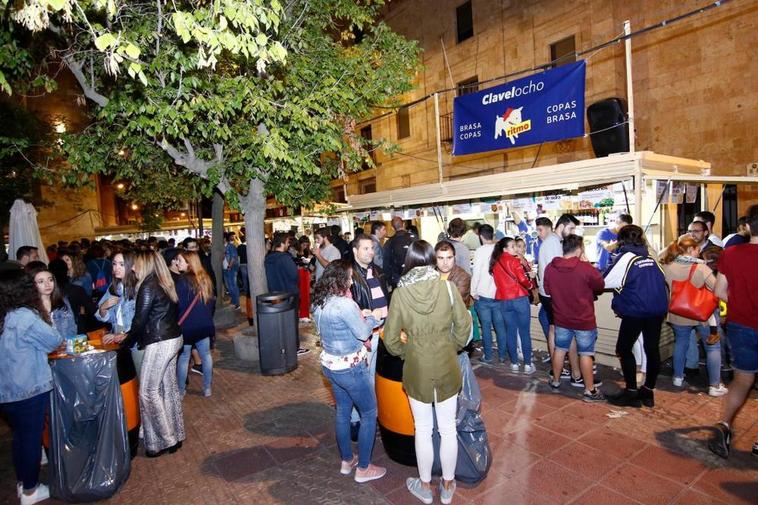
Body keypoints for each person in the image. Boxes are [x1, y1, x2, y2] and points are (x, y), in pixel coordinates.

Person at [383, 241, 471, 505]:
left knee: (422, 429)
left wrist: (407, 353)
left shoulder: (400, 294)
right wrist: (450, 347)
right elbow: (464, 329)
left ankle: (423, 486)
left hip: (417, 369)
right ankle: (446, 485)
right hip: (446, 366)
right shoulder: (448, 288)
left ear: (408, 262)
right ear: (433, 260)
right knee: (447, 429)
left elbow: (390, 340)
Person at [312, 261, 386, 483]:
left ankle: (347, 460)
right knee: (369, 413)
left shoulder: (319, 303)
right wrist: (373, 316)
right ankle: (363, 468)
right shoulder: (345, 304)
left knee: (343, 412)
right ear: (340, 279)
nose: (352, 281)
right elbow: (364, 333)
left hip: (331, 366)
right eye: (350, 277)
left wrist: (359, 314)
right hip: (352, 368)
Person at [111, 251, 185, 457]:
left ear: (145, 264)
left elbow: (139, 320)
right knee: (167, 389)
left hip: (160, 341)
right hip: (173, 339)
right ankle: (175, 435)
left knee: (148, 392)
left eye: (136, 264)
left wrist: (125, 340)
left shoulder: (148, 285)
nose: (132, 268)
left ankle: (168, 439)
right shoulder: (163, 281)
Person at [0, 269, 63, 505]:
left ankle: (22, 483)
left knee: (20, 437)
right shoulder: (24, 316)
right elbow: (54, 340)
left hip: (6, 389)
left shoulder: (4, 315)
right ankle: (30, 490)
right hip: (28, 387)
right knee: (30, 440)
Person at [709, 207, 758, 458]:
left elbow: (719, 291)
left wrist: (737, 302)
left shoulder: (731, 254)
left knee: (742, 379)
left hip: (740, 325)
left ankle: (724, 425)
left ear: (748, 227)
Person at [603, 225, 669, 408]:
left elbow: (604, 281)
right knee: (652, 348)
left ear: (621, 240)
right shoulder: (650, 255)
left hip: (636, 311)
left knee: (623, 349)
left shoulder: (626, 258)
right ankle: (648, 392)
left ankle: (631, 392)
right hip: (657, 310)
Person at [659, 235, 727, 396]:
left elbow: (661, 255)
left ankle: (677, 377)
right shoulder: (701, 268)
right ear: (690, 249)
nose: (699, 252)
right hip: (701, 314)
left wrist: (676, 242)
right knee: (712, 347)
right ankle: (714, 385)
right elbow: (717, 289)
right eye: (697, 249)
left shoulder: (668, 265)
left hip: (678, 313)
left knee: (681, 344)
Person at [544, 235, 606, 401]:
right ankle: (589, 390)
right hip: (583, 319)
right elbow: (600, 285)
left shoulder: (550, 267)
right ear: (579, 249)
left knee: (560, 349)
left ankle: (556, 381)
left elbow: (547, 289)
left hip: (561, 318)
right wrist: (587, 264)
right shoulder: (585, 268)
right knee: (586, 353)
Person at [347, 235, 389, 438]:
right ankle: (356, 420)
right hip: (364, 334)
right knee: (361, 379)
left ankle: (370, 417)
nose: (371, 252)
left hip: (381, 331)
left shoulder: (378, 271)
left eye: (372, 248)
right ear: (355, 251)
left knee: (372, 377)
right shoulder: (350, 275)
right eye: (365, 249)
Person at [538, 214, 581, 377]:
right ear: (561, 226)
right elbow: (557, 272)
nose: (572, 232)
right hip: (553, 294)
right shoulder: (553, 243)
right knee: (562, 331)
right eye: (570, 228)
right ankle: (571, 371)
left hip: (548, 293)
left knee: (553, 329)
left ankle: (560, 367)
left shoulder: (554, 242)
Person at [491, 237, 535, 373]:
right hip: (520, 299)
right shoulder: (515, 261)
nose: (515, 248)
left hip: (504, 300)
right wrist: (531, 283)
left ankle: (514, 363)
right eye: (512, 246)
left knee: (510, 331)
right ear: (505, 249)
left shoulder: (495, 263)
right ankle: (527, 364)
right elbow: (522, 279)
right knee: (524, 332)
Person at [175, 251, 215, 397]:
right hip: (204, 324)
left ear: (189, 263)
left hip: (187, 326)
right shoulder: (205, 279)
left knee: (184, 357)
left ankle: (180, 390)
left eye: (179, 260)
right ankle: (207, 388)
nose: (176, 263)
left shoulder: (182, 281)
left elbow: (178, 305)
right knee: (206, 355)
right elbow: (211, 303)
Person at [265, 234, 309, 356]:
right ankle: (294, 348)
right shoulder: (285, 258)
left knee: (280, 323)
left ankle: (282, 347)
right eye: (288, 242)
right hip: (289, 294)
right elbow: (294, 275)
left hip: (274, 294)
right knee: (291, 323)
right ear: (283, 243)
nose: (289, 245)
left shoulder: (268, 257)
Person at [98, 252, 140, 371]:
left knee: (143, 380)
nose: (116, 268)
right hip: (117, 338)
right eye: (114, 264)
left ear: (131, 266)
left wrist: (124, 335)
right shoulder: (114, 286)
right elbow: (105, 317)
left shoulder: (139, 287)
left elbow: (143, 320)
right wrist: (103, 308)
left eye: (122, 264)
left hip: (135, 340)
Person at [471, 224, 506, 364]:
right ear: (493, 234)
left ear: (480, 236)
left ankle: (488, 356)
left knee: (486, 327)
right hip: (498, 295)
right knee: (500, 327)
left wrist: (473, 291)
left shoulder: (480, 251)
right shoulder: (500, 250)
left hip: (483, 295)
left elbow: (477, 273)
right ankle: (503, 355)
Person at [26, 263, 78, 339]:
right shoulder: (29, 308)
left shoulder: (62, 300)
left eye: (50, 280)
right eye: (41, 281)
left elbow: (72, 327)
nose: (47, 284)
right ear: (33, 285)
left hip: (65, 346)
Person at [47, 258, 97, 334]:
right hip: (76, 328)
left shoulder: (47, 292)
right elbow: (92, 309)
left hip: (53, 330)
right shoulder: (76, 289)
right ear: (67, 271)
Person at [383, 216, 417, 289]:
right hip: (415, 278)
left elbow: (386, 264)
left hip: (397, 279)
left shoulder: (389, 242)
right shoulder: (414, 238)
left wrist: (390, 280)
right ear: (404, 224)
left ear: (392, 228)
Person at [435, 240, 471, 307]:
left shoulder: (463, 277)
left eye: (449, 258)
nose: (445, 262)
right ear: (435, 259)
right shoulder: (430, 274)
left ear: (454, 258)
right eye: (440, 258)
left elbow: (455, 304)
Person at [222, 232, 240, 309]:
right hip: (225, 268)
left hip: (231, 268)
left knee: (232, 286)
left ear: (225, 239)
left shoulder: (230, 246)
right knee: (229, 286)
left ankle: (236, 303)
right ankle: (234, 301)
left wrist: (230, 266)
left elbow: (233, 257)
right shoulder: (222, 247)